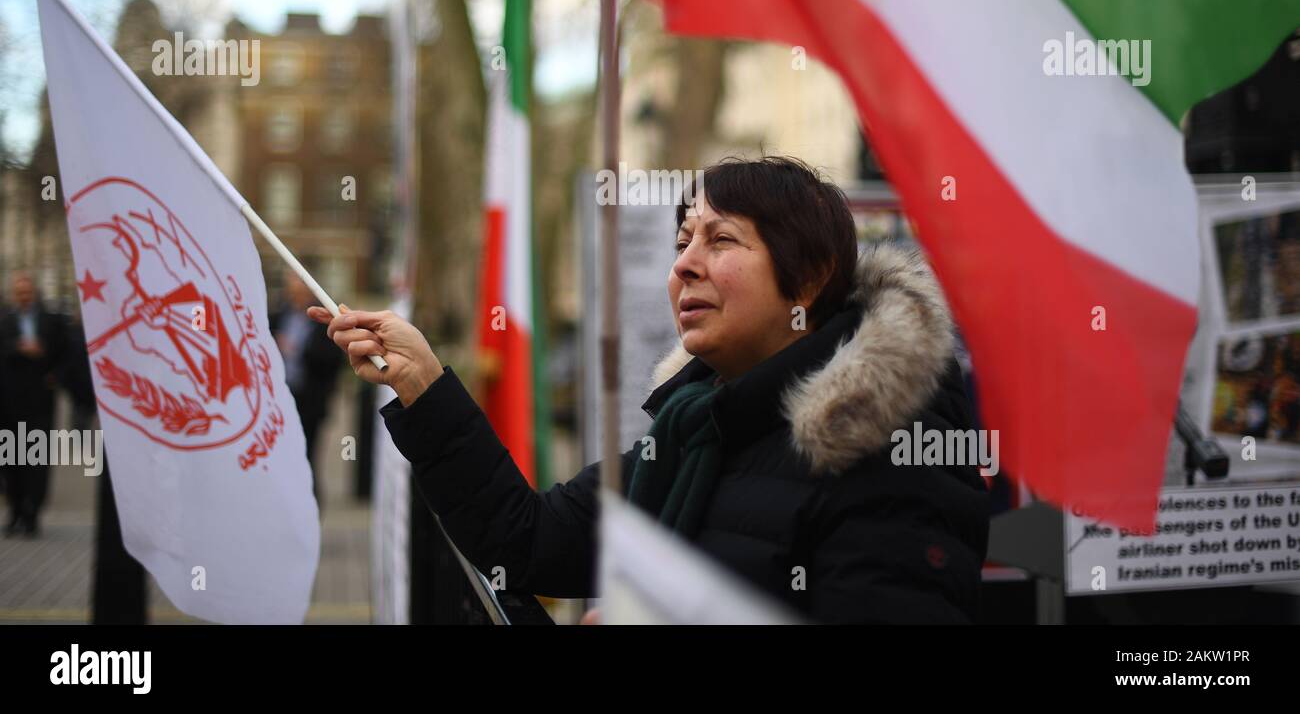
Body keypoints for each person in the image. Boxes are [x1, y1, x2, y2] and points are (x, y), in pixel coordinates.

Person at [309, 156, 990, 622]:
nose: (685, 264)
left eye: (721, 241)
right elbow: (529, 542)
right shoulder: (694, 425)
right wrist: (425, 385)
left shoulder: (890, 443)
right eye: (682, 239)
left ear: (808, 281)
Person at [0, 272, 66, 537]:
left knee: (36, 458)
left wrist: (55, 376)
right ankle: (15, 511)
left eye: (28, 292)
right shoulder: (5, 321)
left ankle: (32, 513)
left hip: (40, 400)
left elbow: (66, 353)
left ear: (34, 293)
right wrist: (19, 348)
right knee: (10, 457)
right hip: (7, 402)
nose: (24, 297)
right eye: (20, 293)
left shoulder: (51, 320)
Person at [271, 272, 345, 506]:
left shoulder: (322, 317)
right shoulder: (278, 314)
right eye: (290, 285)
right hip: (280, 400)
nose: (294, 290)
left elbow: (333, 359)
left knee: (307, 456)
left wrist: (297, 350)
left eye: (299, 285)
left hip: (309, 401)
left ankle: (309, 507)